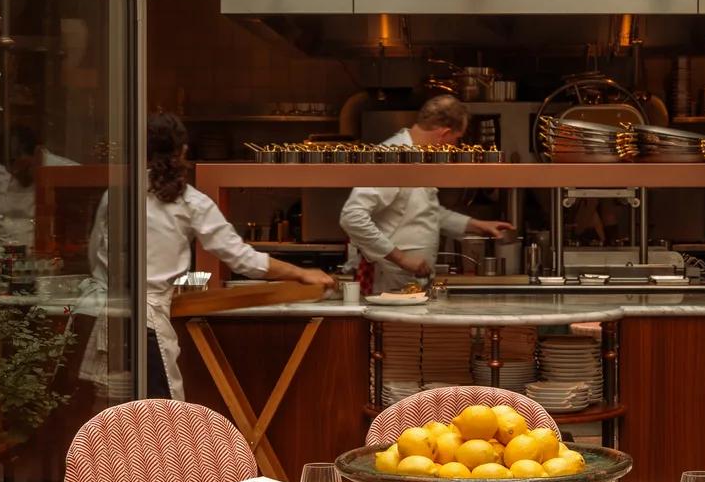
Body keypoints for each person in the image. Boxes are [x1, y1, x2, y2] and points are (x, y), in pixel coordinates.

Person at [91, 113, 333, 401]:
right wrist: (301, 273)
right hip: (148, 326)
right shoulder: (189, 200)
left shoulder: (116, 195)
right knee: (162, 419)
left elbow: (97, 258)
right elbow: (242, 259)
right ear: (183, 152)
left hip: (109, 322)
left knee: (111, 419)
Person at [339, 94, 514, 292]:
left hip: (411, 279)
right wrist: (401, 259)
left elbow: (425, 212)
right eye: (456, 139)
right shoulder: (393, 156)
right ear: (444, 134)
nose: (455, 146)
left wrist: (476, 225)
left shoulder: (419, 157)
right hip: (390, 279)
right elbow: (352, 217)